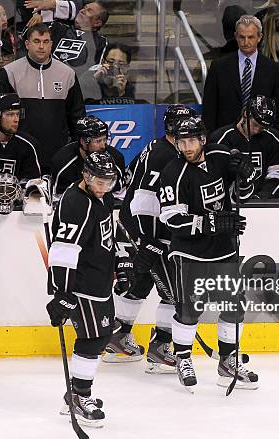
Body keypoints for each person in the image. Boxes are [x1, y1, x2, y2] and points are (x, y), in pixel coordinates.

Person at [158, 115, 259, 391]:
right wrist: (211, 223)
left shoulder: (221, 156)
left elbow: (243, 194)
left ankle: (228, 361)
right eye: (181, 142)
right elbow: (171, 219)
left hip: (224, 248)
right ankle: (182, 358)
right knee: (189, 310)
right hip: (189, 252)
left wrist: (246, 175)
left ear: (203, 139)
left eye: (191, 141)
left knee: (234, 306)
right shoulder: (172, 173)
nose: (187, 147)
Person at [108, 105, 197, 372]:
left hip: (135, 227)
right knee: (174, 292)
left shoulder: (158, 147)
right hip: (147, 232)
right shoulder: (164, 155)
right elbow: (142, 200)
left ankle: (118, 337)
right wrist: (146, 239)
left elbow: (129, 185)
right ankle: (160, 347)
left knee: (142, 281)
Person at [45, 150, 119, 427]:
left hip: (99, 281)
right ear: (85, 176)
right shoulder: (77, 204)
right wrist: (62, 293)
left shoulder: (100, 197)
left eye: (108, 182)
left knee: (101, 335)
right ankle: (79, 395)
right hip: (82, 285)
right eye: (99, 182)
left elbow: (107, 234)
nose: (104, 187)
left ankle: (76, 392)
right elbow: (63, 250)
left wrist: (119, 264)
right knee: (94, 339)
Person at [0, 23, 85, 173]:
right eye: (36, 41)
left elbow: (77, 116)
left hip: (58, 156)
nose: (41, 46)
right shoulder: (9, 73)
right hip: (19, 156)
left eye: (46, 41)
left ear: (52, 44)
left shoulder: (67, 74)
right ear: (27, 44)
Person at [203, 15, 279, 133]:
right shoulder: (218, 67)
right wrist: (212, 140)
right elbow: (209, 108)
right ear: (236, 36)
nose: (246, 42)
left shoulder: (274, 69)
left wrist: (269, 137)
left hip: (261, 137)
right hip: (225, 137)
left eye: (251, 37)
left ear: (259, 37)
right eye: (242, 37)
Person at [208, 95, 279, 198]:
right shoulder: (220, 138)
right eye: (255, 124)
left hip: (262, 201)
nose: (256, 130)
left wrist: (264, 196)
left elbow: (277, 175)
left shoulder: (274, 139)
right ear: (245, 113)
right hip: (230, 200)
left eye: (262, 127)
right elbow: (213, 177)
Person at [51, 115, 124, 198]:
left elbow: (118, 196)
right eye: (98, 141)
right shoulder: (62, 162)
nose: (103, 146)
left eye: (104, 139)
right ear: (83, 142)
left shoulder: (116, 159)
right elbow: (58, 199)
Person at [50, 0, 109, 76]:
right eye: (84, 8)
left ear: (97, 23)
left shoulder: (101, 42)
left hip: (76, 83)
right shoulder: (58, 28)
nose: (82, 11)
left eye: (89, 11)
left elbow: (94, 70)